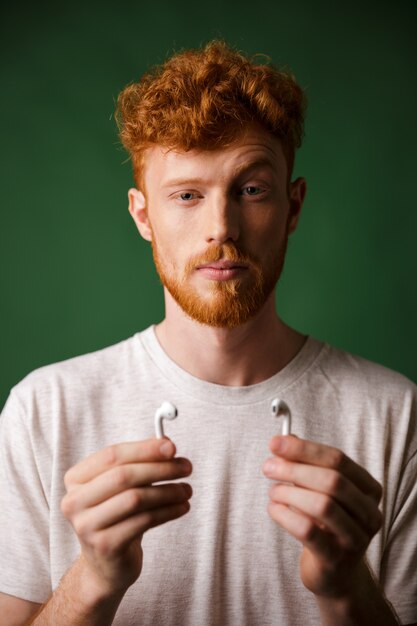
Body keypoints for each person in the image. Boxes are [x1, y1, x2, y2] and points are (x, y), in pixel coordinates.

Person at [0, 40, 416, 626]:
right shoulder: (42, 411)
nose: (221, 228)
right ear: (143, 216)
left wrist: (347, 591)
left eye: (251, 189)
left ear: (293, 207)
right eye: (187, 195)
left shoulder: (396, 415)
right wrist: (92, 578)